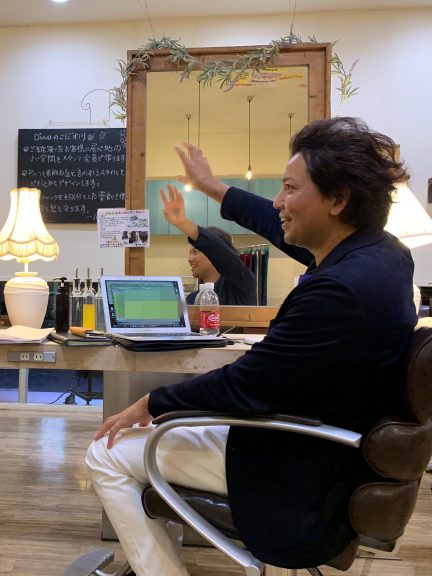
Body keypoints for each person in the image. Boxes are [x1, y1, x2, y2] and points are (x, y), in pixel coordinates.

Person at [85, 117, 416, 576]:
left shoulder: (339, 289)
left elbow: (245, 387)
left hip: (299, 470)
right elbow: (277, 225)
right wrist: (212, 187)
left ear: (338, 199)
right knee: (150, 434)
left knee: (107, 450)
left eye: (289, 189)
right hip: (331, 448)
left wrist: (151, 402)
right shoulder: (385, 256)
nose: (278, 202)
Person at [160, 183, 257, 305]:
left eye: (195, 252)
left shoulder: (242, 285)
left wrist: (184, 223)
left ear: (214, 253)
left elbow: (225, 256)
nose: (189, 259)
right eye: (190, 253)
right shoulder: (191, 299)